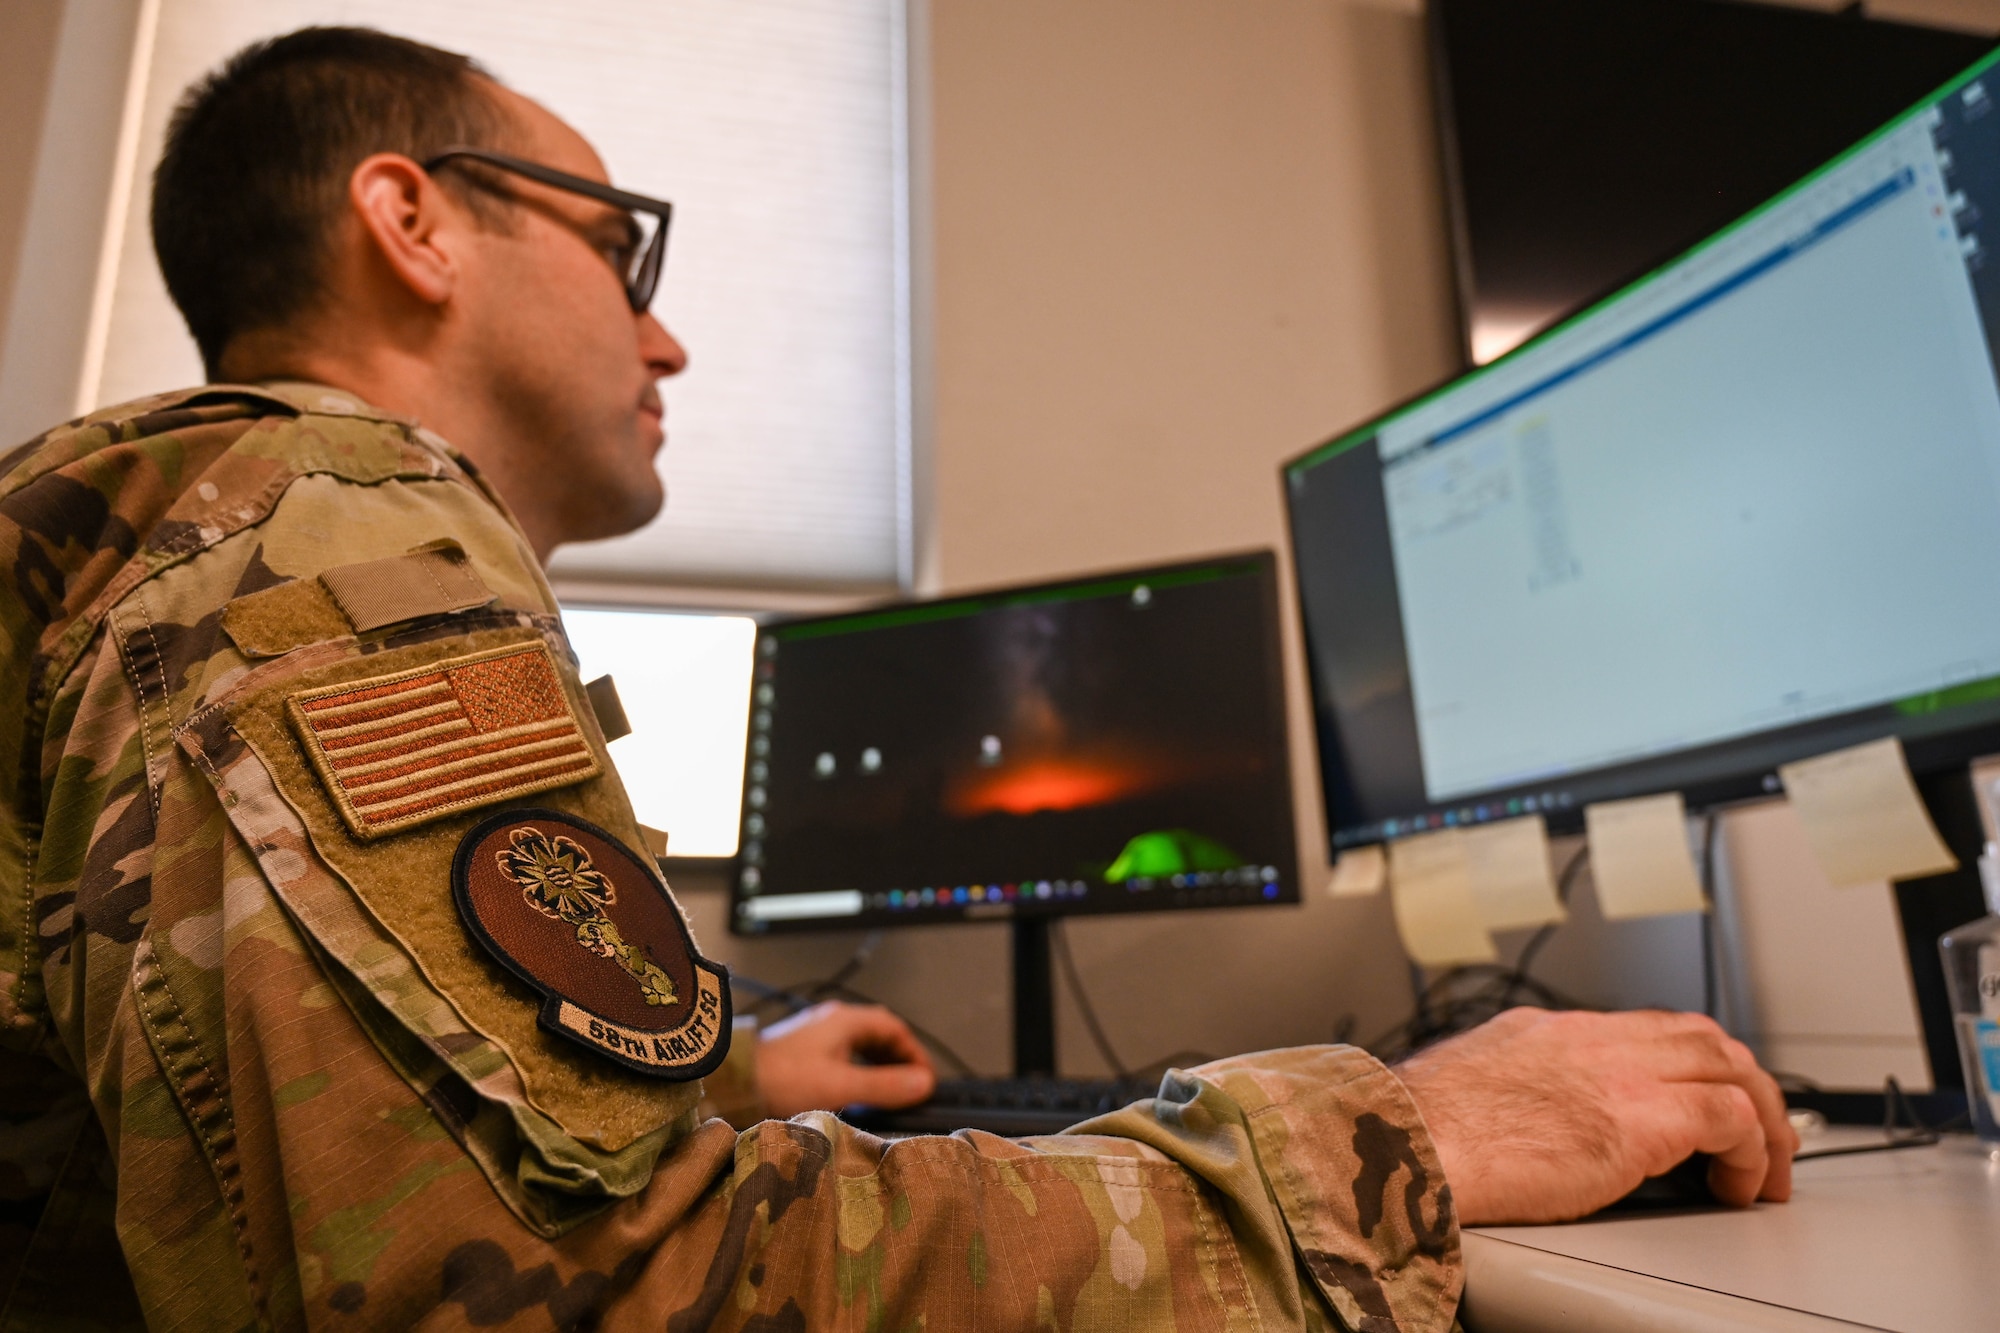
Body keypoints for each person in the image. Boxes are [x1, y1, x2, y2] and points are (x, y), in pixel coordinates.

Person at [0, 26, 1795, 1331]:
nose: (672, 330)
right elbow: (585, 1293)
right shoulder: (318, 519)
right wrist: (1398, 1132)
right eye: (623, 249)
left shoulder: (203, 532)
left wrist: (726, 1087)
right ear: (412, 221)